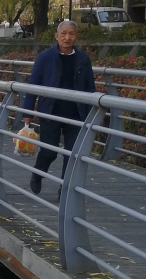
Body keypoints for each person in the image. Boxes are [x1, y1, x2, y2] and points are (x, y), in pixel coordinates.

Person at [22, 19, 95, 197]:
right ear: (57, 36)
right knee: (49, 151)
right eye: (63, 34)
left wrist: (93, 112)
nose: (67, 37)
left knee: (72, 155)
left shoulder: (83, 59)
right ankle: (38, 174)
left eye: (71, 34)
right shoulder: (45, 58)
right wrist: (27, 113)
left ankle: (65, 190)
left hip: (76, 113)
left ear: (76, 37)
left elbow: (90, 88)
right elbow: (33, 86)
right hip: (51, 112)